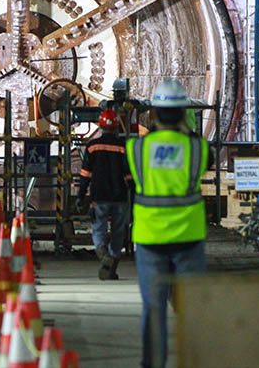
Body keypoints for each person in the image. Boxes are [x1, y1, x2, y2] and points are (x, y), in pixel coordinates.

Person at [126, 78, 209, 368]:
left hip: (150, 240)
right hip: (189, 237)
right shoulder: (198, 148)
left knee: (154, 310)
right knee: (193, 310)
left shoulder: (137, 149)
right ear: (184, 112)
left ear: (155, 112)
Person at [76, 109, 132, 280]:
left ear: (100, 125)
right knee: (118, 231)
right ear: (117, 127)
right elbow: (129, 175)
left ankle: (103, 255)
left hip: (99, 196)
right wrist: (134, 195)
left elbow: (85, 173)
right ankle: (112, 266)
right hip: (119, 196)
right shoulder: (123, 147)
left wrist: (80, 195)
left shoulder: (92, 146)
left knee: (98, 228)